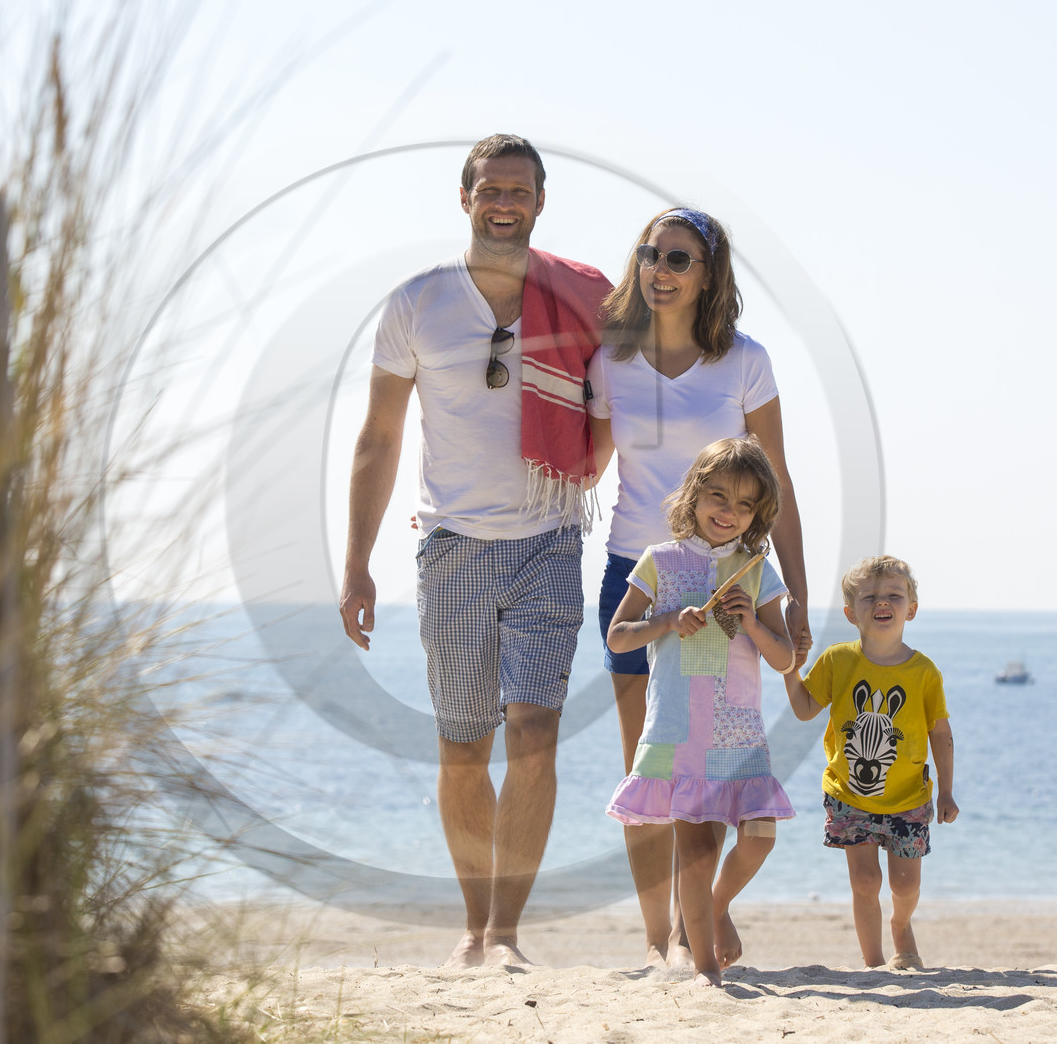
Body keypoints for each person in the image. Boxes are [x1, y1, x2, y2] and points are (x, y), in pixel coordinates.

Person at [338, 134, 611, 969]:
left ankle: (506, 934)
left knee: (535, 732)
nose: (504, 203)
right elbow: (379, 437)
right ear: (465, 199)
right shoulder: (417, 302)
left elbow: (636, 396)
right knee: (462, 747)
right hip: (452, 546)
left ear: (540, 202)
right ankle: (471, 924)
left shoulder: (583, 299)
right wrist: (356, 564)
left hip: (549, 538)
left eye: (519, 190)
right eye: (490, 189)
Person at [587, 206, 811, 967]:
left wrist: (795, 594)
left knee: (710, 767)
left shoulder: (745, 361)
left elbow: (778, 484)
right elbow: (584, 464)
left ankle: (697, 924)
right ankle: (662, 942)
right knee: (651, 766)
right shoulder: (611, 360)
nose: (660, 269)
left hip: (729, 580)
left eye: (679, 258)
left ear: (709, 273)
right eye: (650, 254)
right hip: (638, 572)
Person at [605, 437, 796, 987]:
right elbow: (618, 637)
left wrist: (753, 622)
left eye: (744, 504)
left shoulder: (757, 569)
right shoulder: (659, 560)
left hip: (739, 732)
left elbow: (784, 659)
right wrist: (667, 621)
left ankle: (713, 907)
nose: (729, 512)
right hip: (679, 728)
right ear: (694, 494)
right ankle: (704, 966)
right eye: (718, 496)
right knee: (695, 849)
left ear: (758, 514)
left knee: (759, 835)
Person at [782, 555, 959, 969]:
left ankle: (901, 924)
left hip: (909, 798)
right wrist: (790, 668)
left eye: (894, 595)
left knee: (905, 885)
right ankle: (875, 966)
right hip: (849, 796)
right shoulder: (837, 660)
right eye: (870, 597)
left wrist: (947, 791)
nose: (882, 602)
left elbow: (940, 733)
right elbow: (805, 709)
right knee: (865, 881)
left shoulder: (924, 672)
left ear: (911, 609)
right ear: (851, 613)